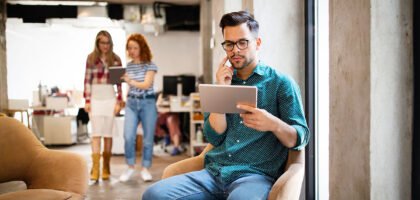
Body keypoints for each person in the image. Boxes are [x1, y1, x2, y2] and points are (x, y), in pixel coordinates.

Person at [143, 11, 310, 199]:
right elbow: (214, 137)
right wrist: (222, 89)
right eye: (229, 44)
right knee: (153, 194)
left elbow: (300, 138)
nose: (235, 50)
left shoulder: (281, 83)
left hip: (254, 176)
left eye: (242, 42)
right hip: (214, 173)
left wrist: (272, 124)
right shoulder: (223, 82)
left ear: (257, 43)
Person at [83, 30, 122, 181]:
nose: (105, 46)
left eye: (107, 42)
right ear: (97, 43)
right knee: (96, 134)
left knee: (108, 134)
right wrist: (87, 100)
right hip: (95, 99)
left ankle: (106, 166)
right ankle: (95, 168)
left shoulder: (116, 59)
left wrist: (119, 101)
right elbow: (86, 80)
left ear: (110, 43)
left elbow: (119, 83)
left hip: (110, 99)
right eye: (102, 42)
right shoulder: (91, 58)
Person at [119, 33, 158, 182]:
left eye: (135, 47)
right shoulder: (128, 66)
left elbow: (146, 84)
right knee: (128, 136)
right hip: (131, 103)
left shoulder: (150, 65)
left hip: (147, 103)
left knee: (148, 139)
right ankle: (130, 166)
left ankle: (145, 168)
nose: (132, 50)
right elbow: (130, 87)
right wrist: (125, 97)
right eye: (129, 48)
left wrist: (130, 81)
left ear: (141, 48)